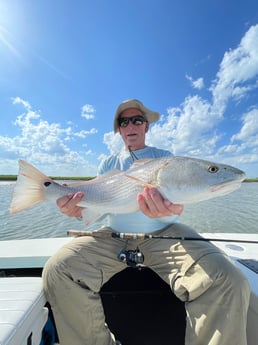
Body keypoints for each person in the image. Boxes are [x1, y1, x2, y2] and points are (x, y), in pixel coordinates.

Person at [42, 99, 250, 345]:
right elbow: (95, 204)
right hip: (113, 236)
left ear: (146, 127)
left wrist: (171, 209)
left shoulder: (165, 158)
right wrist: (74, 209)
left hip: (166, 234)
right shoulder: (108, 163)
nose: (131, 125)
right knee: (58, 270)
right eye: (124, 121)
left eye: (137, 120)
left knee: (228, 278)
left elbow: (178, 198)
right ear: (119, 129)